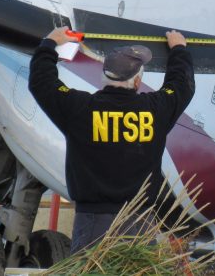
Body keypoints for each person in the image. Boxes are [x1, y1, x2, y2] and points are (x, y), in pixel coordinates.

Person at [28, 26, 195, 253]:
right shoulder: (155, 110)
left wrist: (50, 43)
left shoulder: (79, 109)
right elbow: (181, 86)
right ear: (137, 82)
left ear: (103, 78)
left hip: (91, 225)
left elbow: (41, 82)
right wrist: (178, 50)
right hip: (140, 225)